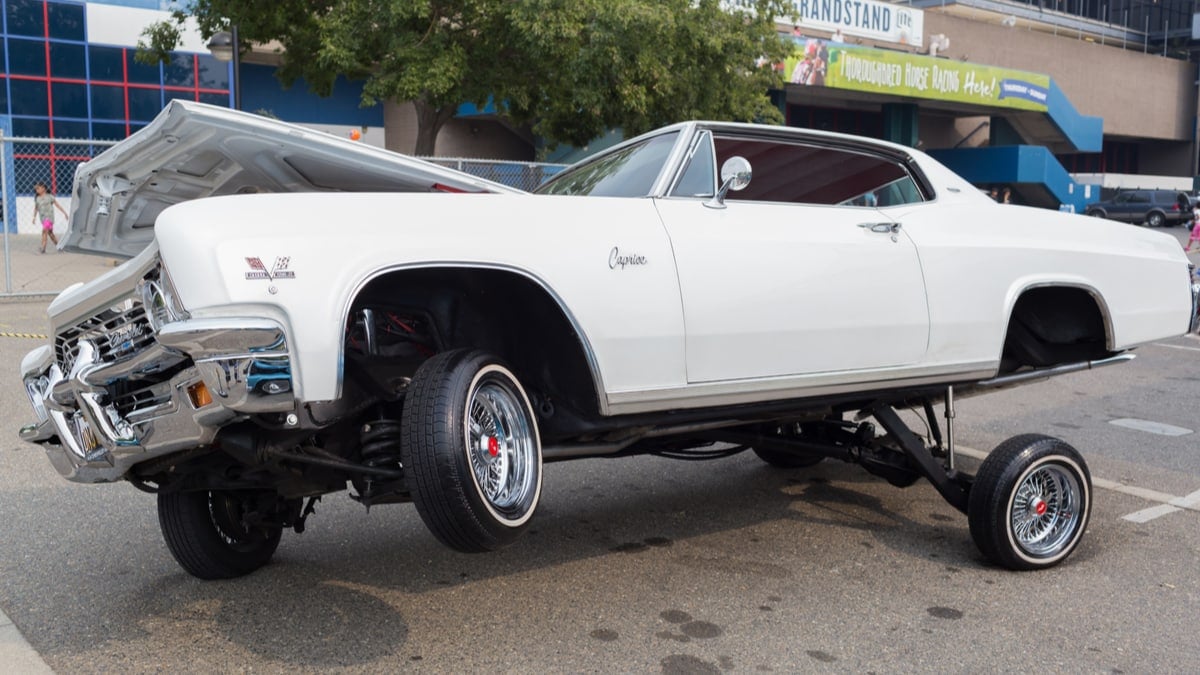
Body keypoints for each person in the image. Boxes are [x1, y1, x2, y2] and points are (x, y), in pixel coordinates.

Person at [32, 182, 67, 253]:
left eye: (38, 188)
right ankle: (59, 247)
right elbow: (36, 208)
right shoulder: (37, 198)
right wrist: (34, 217)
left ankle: (42, 248)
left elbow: (57, 205)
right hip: (43, 219)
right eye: (36, 189)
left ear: (44, 188)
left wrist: (64, 213)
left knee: (44, 231)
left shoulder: (49, 197)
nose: (37, 190)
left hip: (49, 218)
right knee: (50, 234)